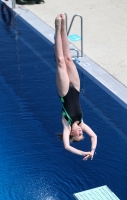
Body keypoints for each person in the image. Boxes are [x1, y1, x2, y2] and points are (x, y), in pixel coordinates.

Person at [54, 14, 97, 161]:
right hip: (76, 88)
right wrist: (91, 150)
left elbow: (67, 146)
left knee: (60, 61)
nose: (80, 131)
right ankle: (64, 28)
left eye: (78, 134)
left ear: (72, 134)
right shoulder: (82, 122)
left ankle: (57, 28)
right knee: (69, 59)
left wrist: (81, 153)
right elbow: (94, 136)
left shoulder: (66, 125)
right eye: (81, 133)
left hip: (64, 92)